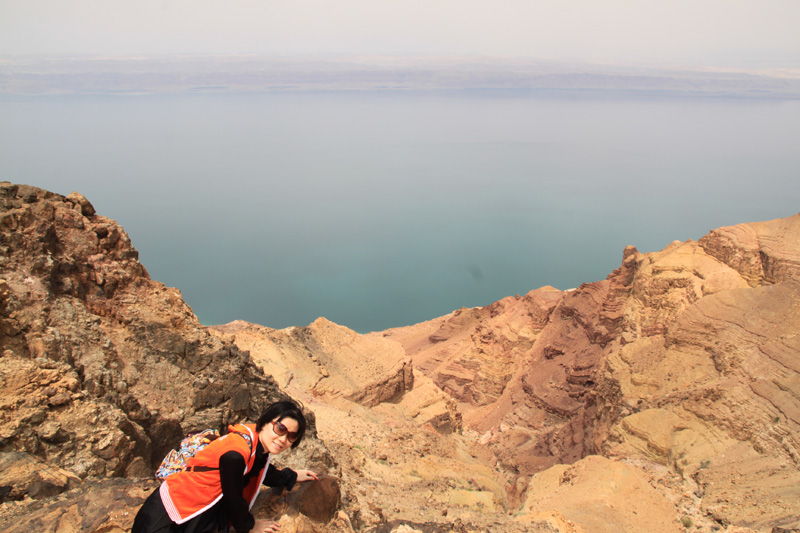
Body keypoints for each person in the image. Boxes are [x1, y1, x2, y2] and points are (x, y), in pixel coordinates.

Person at [132, 400, 319, 533]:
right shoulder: (236, 453)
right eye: (280, 428)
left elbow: (261, 470)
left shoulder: (256, 446)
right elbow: (233, 499)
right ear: (264, 423)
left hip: (193, 512)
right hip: (169, 516)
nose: (283, 439)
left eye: (291, 436)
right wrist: (249, 526)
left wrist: (292, 476)